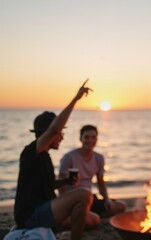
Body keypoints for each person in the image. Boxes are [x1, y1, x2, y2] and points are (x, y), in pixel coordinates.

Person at [13, 80, 93, 240]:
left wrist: (65, 181)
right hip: (30, 216)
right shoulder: (31, 152)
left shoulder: (45, 157)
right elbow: (54, 129)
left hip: (44, 209)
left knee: (92, 217)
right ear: (49, 135)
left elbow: (49, 185)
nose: (61, 136)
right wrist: (76, 98)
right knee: (84, 194)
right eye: (60, 133)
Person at [58, 124, 127, 227]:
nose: (90, 140)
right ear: (80, 138)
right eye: (86, 137)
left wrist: (107, 199)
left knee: (121, 206)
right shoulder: (69, 157)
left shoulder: (99, 158)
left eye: (93, 137)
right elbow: (60, 185)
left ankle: (88, 216)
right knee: (93, 220)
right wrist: (66, 205)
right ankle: (85, 217)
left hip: (89, 200)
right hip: (73, 202)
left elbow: (101, 183)